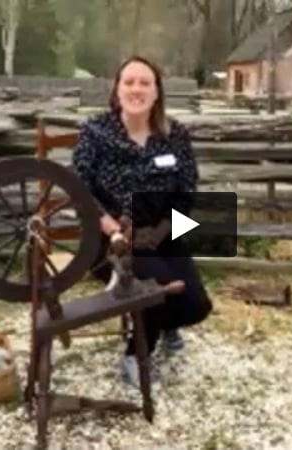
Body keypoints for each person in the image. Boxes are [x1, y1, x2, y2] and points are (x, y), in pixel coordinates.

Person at [71, 55, 213, 387]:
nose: (137, 89)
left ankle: (165, 319)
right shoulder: (95, 132)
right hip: (111, 241)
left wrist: (162, 231)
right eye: (129, 82)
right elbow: (78, 188)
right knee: (157, 289)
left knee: (197, 306)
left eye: (145, 83)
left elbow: (187, 191)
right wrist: (109, 226)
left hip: (162, 234)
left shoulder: (174, 134)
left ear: (157, 92)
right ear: (116, 90)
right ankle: (135, 355)